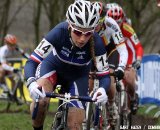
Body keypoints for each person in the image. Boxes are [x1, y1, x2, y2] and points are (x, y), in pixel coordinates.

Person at [24, 1, 116, 130]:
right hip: (52, 68)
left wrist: (102, 90)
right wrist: (31, 83)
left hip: (78, 77)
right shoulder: (58, 32)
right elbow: (32, 61)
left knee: (74, 126)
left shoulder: (97, 42)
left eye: (88, 33)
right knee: (41, 101)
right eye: (78, 32)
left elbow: (104, 75)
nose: (83, 39)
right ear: (69, 26)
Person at [92, 1, 128, 121]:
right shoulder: (86, 24)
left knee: (110, 75)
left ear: (104, 18)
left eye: (98, 22)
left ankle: (112, 104)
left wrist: (121, 67)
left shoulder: (111, 24)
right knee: (89, 81)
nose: (95, 26)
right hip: (92, 52)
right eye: (93, 22)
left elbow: (122, 49)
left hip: (109, 51)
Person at [106, 3, 144, 114]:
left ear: (123, 20)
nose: (115, 25)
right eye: (112, 21)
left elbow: (138, 46)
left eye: (118, 22)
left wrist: (138, 59)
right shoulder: (104, 27)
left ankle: (133, 99)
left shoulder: (127, 28)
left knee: (129, 78)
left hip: (127, 57)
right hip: (112, 56)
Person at [0, 34, 28, 101]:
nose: (13, 47)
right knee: (2, 72)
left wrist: (32, 60)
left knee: (13, 79)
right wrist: (13, 69)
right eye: (11, 45)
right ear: (7, 44)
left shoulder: (16, 48)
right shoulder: (3, 50)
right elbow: (3, 65)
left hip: (4, 64)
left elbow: (25, 55)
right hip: (2, 65)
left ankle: (13, 96)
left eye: (14, 44)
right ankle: (5, 90)